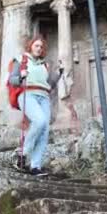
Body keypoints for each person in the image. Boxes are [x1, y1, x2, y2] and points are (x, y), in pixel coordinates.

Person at [9, 36, 63, 176]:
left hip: (44, 97)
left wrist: (59, 73)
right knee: (39, 121)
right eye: (36, 45)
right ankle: (23, 153)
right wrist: (21, 76)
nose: (39, 48)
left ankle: (35, 166)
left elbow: (49, 84)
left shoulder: (44, 65)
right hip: (27, 94)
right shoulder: (21, 60)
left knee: (44, 130)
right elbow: (12, 80)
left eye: (41, 47)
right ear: (30, 46)